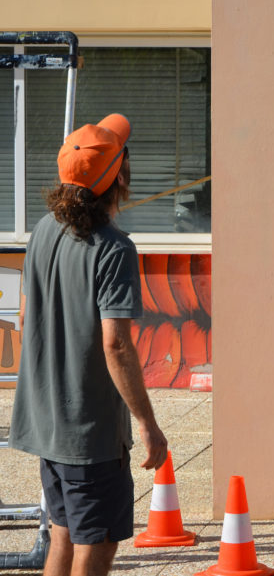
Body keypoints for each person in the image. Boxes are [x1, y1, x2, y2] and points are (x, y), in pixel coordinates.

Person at [9, 114, 168, 576]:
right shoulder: (114, 249)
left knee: (62, 535)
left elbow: (23, 318)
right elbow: (116, 345)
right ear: (119, 177)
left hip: (47, 423)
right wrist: (147, 424)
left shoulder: (42, 231)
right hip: (89, 433)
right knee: (95, 547)